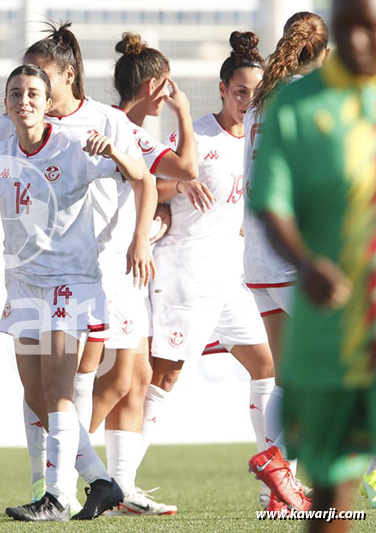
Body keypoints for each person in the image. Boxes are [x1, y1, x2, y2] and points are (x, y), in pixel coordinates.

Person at [0, 22, 156, 513]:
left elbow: (144, 176)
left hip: (71, 284)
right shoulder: (1, 152)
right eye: (15, 94)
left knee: (60, 389)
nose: (23, 100)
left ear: (48, 100)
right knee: (37, 396)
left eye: (32, 92)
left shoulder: (76, 143)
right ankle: (101, 481)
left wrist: (139, 232)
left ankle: (57, 496)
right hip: (24, 284)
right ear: (4, 106)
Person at [248, 0, 376, 528]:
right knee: (331, 479)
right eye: (349, 28)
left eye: (369, 28)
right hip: (324, 298)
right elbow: (270, 199)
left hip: (269, 272)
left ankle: (276, 460)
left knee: (277, 380)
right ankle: (282, 460)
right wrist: (309, 263)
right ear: (329, 40)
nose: (360, 42)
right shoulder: (295, 105)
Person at [141, 30, 280, 509]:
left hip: (231, 275)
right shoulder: (197, 135)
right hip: (186, 270)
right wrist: (175, 191)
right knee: (164, 377)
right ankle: (119, 482)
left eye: (256, 93)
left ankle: (275, 486)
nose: (248, 100)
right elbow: (150, 186)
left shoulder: (264, 140)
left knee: (267, 366)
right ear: (223, 90)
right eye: (240, 91)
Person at [87, 32, 206, 516]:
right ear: (156, 85)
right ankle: (58, 474)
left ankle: (120, 487)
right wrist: (184, 111)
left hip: (128, 271)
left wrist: (155, 218)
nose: (171, 91)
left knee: (134, 378)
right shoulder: (112, 125)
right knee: (116, 380)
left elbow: (170, 177)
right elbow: (186, 168)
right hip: (104, 267)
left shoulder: (134, 133)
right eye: (168, 86)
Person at [243, 12, 329, 511]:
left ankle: (277, 492)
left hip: (258, 258)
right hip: (297, 256)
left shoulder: (261, 101)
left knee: (287, 376)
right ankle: (279, 459)